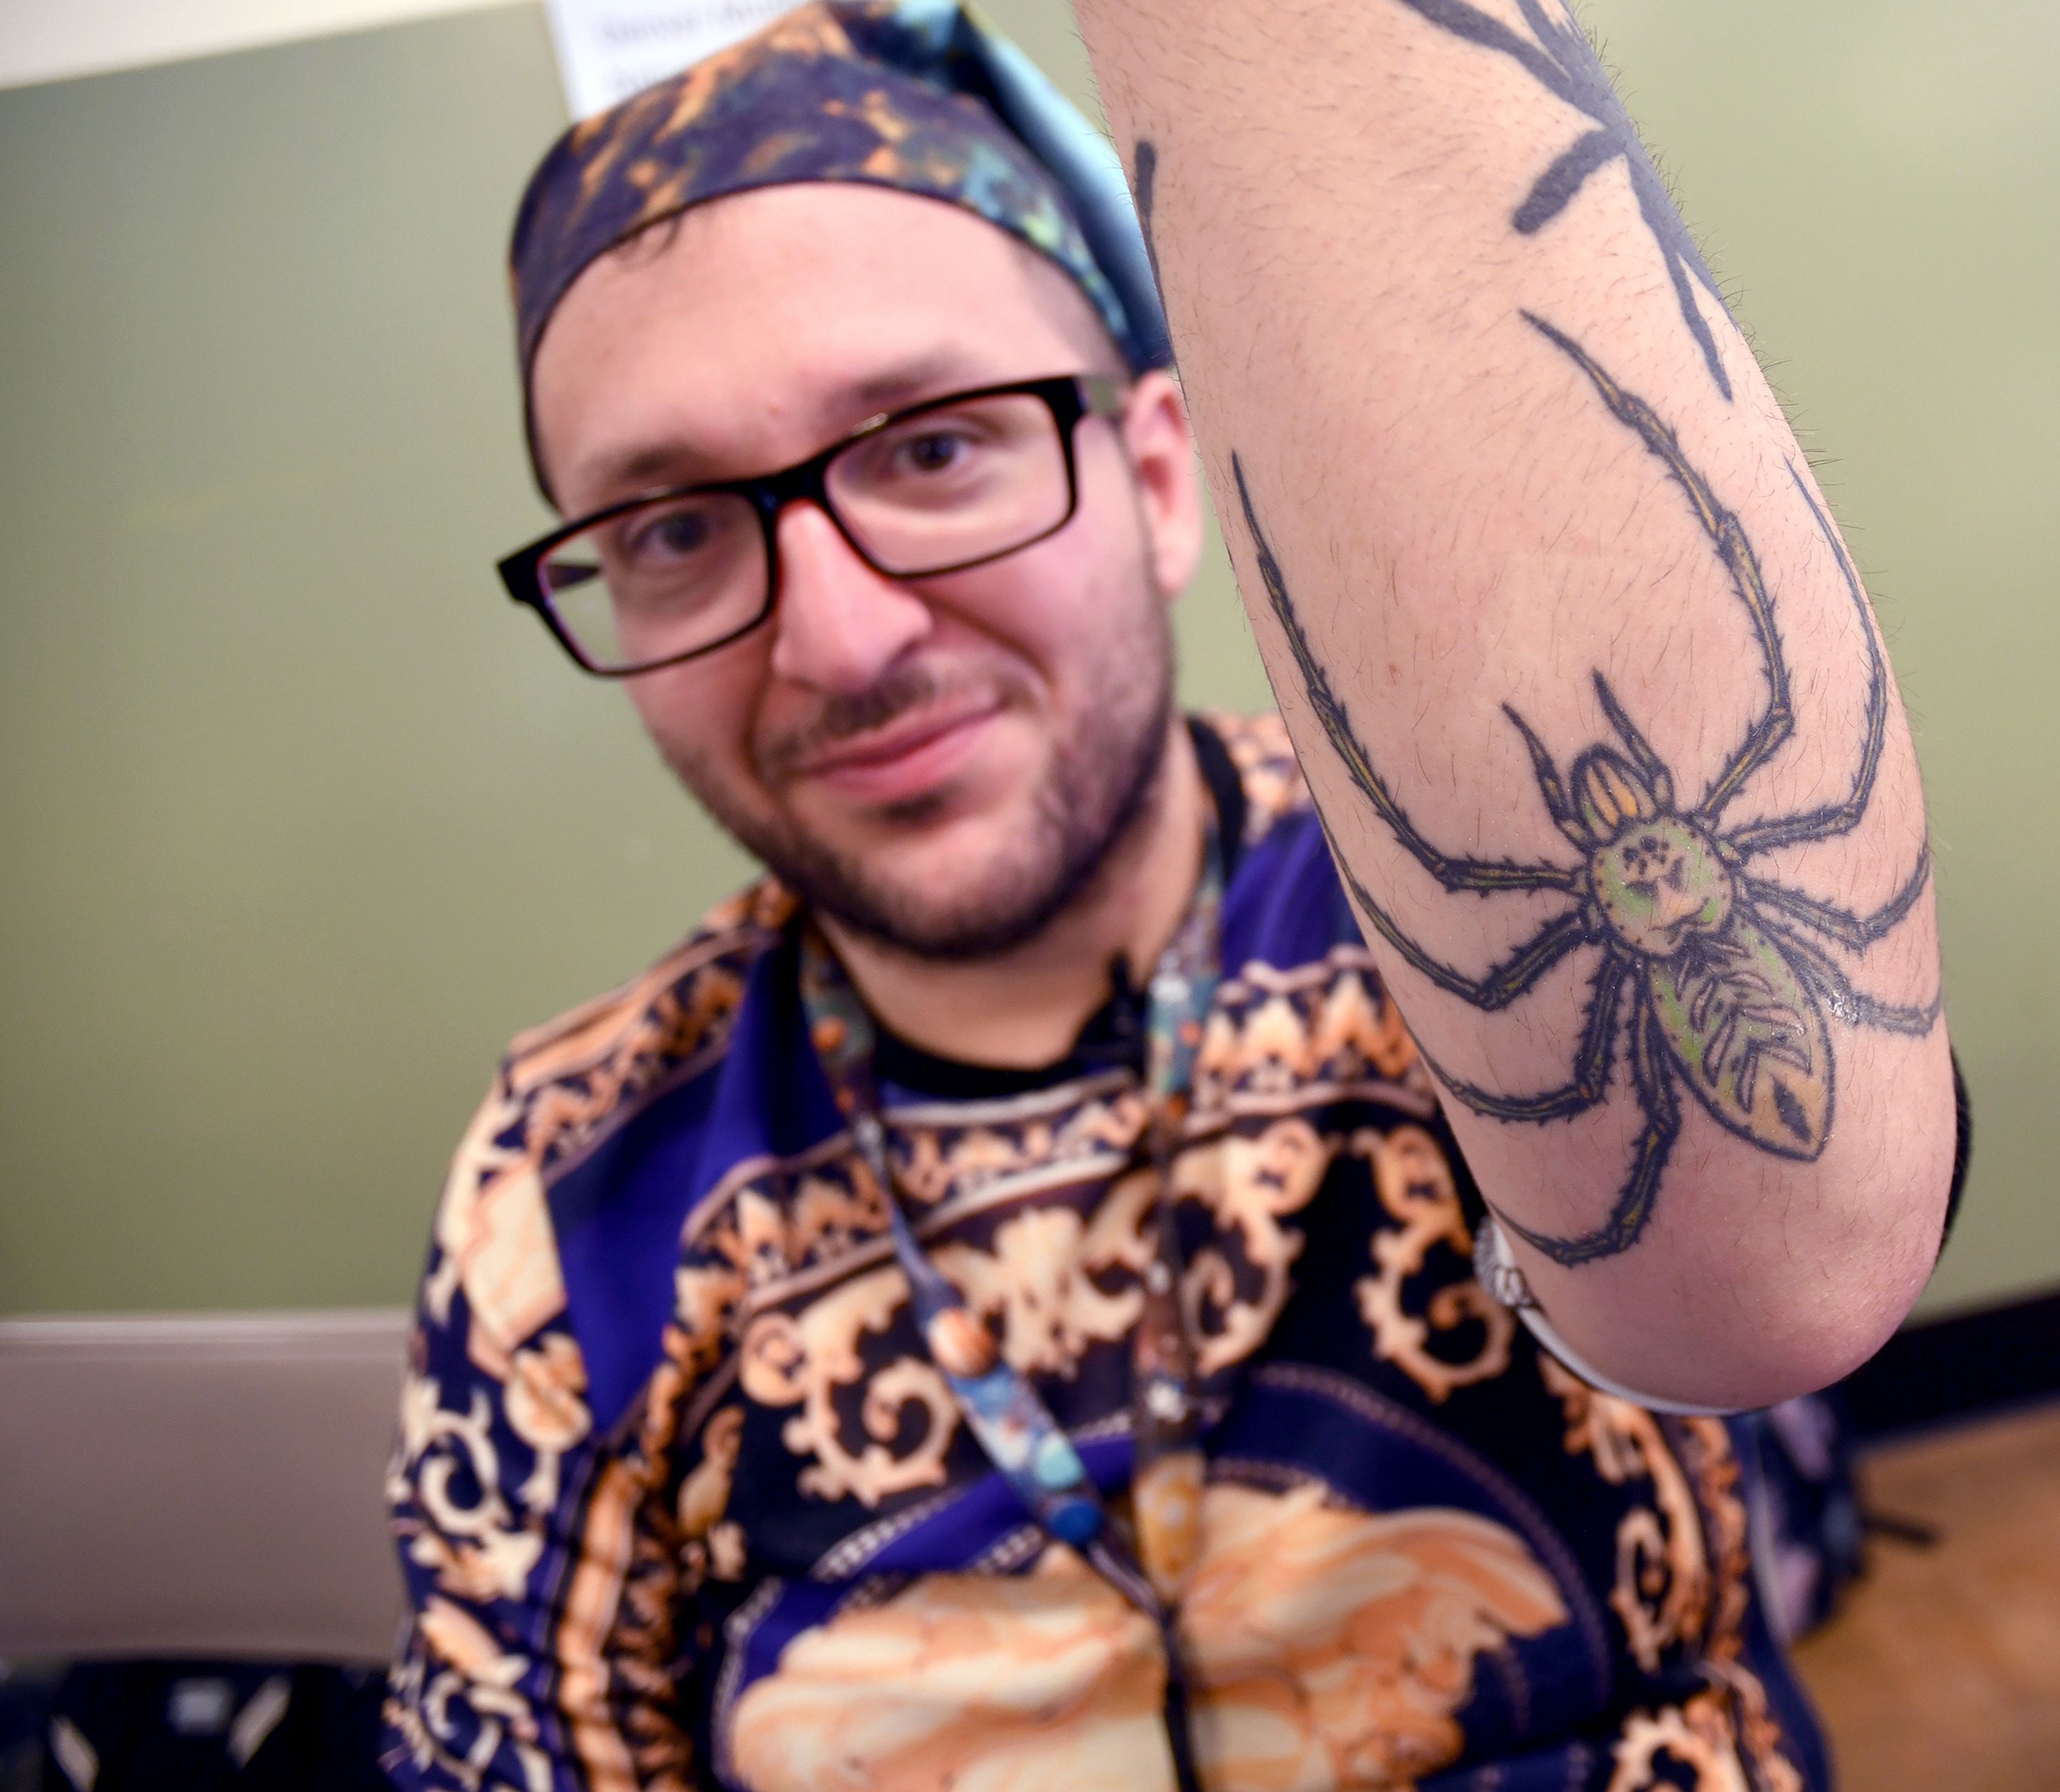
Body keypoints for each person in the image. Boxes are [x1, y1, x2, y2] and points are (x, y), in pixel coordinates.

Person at [383, 2, 1965, 1786]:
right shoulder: (568, 1187)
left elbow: (1790, 1269)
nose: (841, 637)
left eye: (932, 449)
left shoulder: (1434, 948)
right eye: (674, 532)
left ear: (1155, 475)